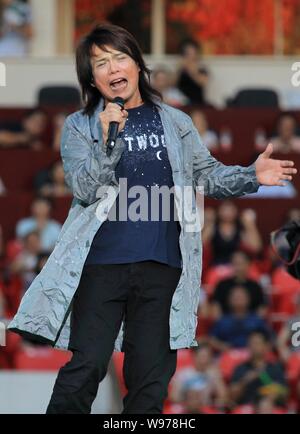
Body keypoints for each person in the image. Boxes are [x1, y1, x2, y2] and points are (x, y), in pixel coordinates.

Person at [7, 24, 297, 414]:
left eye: (120, 58)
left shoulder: (176, 123)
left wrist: (251, 176)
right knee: (87, 366)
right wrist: (110, 141)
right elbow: (84, 186)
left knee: (150, 380)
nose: (112, 68)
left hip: (162, 267)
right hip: (101, 266)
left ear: (137, 64)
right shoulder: (80, 125)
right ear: (91, 78)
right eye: (101, 63)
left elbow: (207, 176)